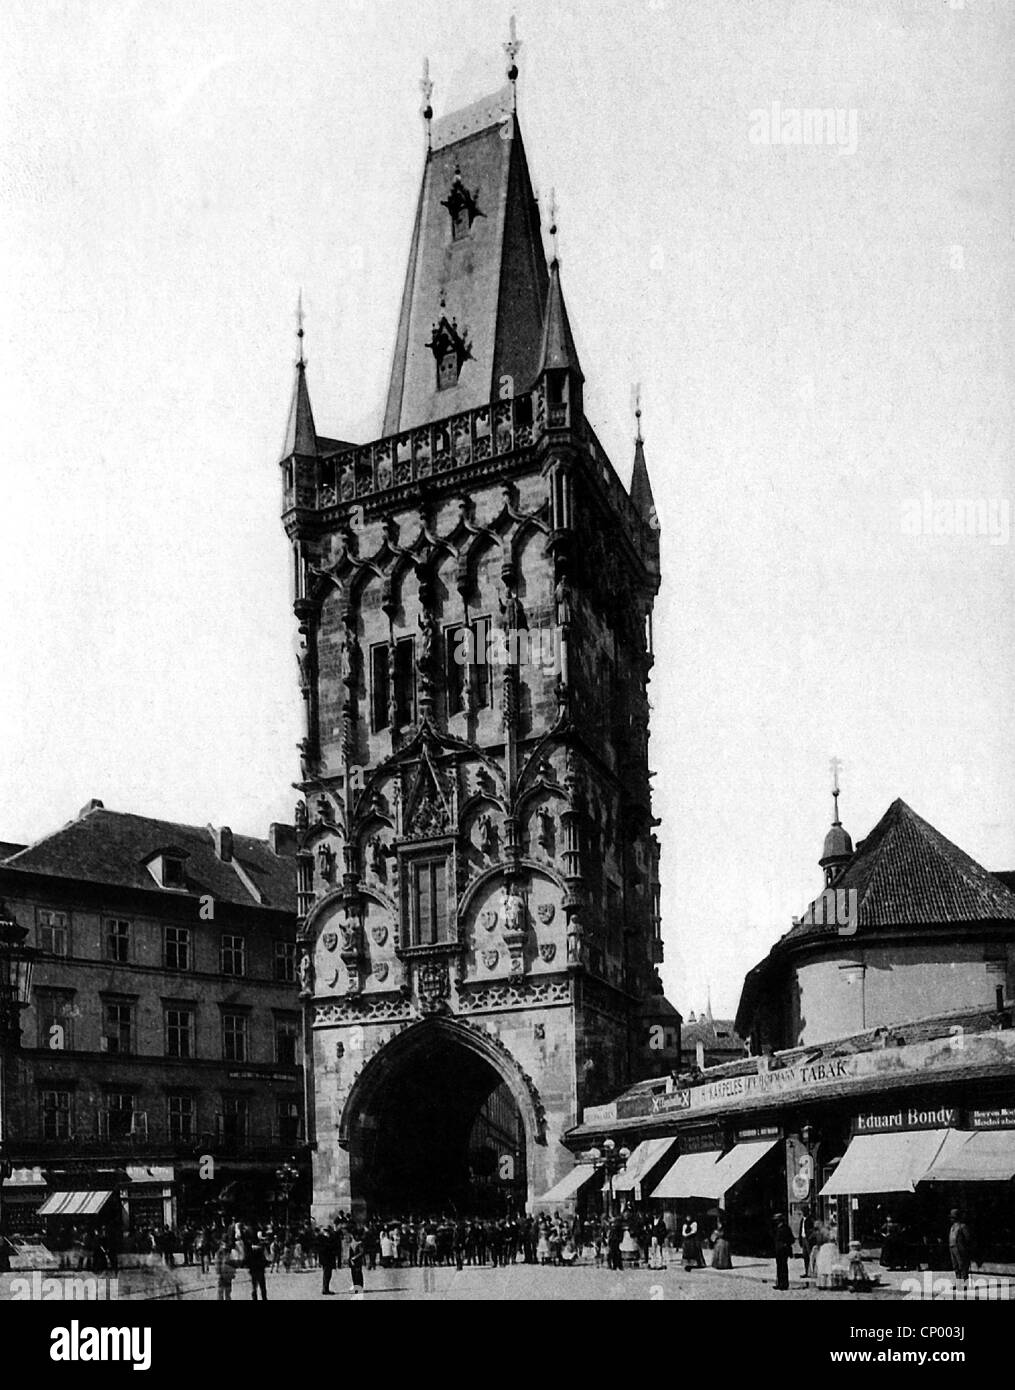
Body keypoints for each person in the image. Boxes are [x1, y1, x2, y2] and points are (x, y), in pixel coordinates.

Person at [948, 1210, 974, 1290]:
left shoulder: (962, 1226)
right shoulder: (952, 1227)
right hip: (952, 1248)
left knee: (962, 1266)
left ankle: (965, 1284)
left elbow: (968, 1238)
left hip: (960, 1248)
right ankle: (959, 1283)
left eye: (953, 1217)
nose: (951, 1219)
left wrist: (966, 1248)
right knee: (956, 1266)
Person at [247, 1229, 268, 1301]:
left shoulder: (250, 1250)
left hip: (253, 1270)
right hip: (260, 1270)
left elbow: (248, 1260)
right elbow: (264, 1260)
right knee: (262, 1287)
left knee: (254, 1287)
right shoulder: (261, 1249)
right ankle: (264, 1298)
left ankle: (254, 1298)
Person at [773, 1213, 793, 1291]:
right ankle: (779, 1283)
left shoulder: (786, 1228)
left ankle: (784, 1284)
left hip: (783, 1250)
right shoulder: (778, 1228)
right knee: (779, 1267)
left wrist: (785, 1244)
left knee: (783, 1267)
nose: (776, 1222)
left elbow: (791, 1239)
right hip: (778, 1250)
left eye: (777, 1220)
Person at [347, 1227, 365, 1296]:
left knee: (358, 1275)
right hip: (352, 1262)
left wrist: (354, 1258)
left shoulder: (359, 1243)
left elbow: (362, 1252)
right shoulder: (352, 1243)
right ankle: (356, 1287)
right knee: (353, 1275)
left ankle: (359, 1288)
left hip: (357, 1261)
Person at [320, 1225, 337, 1294]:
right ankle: (325, 1289)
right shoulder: (323, 1238)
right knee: (327, 1274)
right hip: (326, 1259)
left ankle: (325, 1288)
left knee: (327, 1274)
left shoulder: (325, 1237)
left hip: (327, 1259)